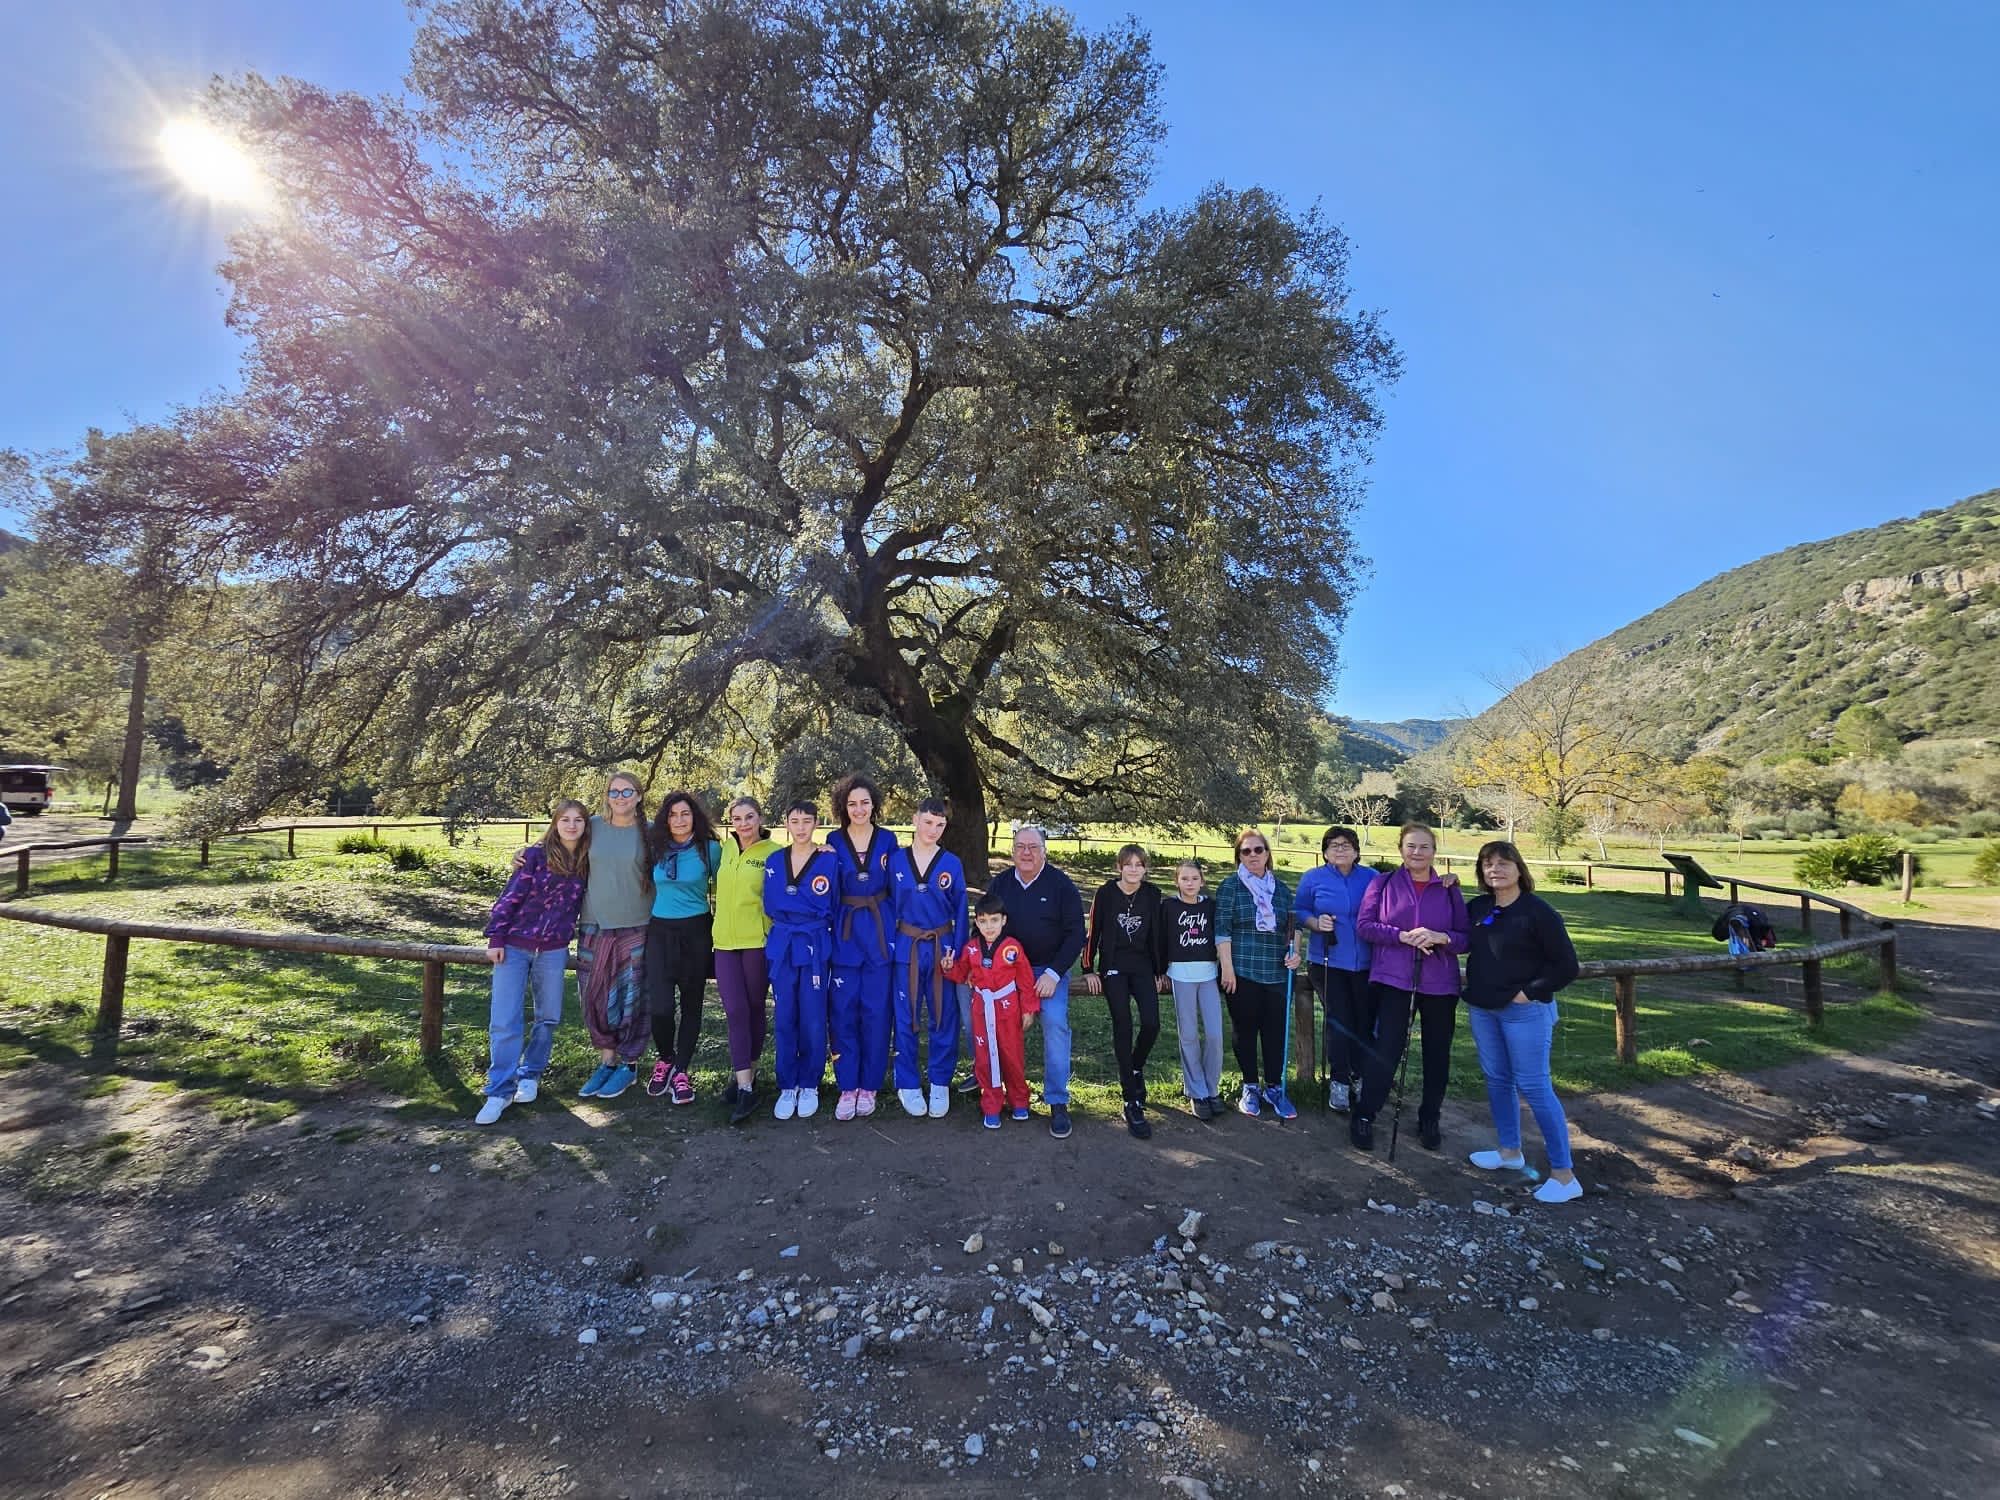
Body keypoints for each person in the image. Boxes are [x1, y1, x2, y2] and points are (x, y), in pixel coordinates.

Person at [1464, 839, 1584, 1203]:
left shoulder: (1538, 912)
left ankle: (1564, 1175)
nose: (1495, 869)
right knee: (1497, 1079)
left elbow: (1567, 966)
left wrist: (1528, 992)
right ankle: (1509, 1151)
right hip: (1483, 1008)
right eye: (1488, 863)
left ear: (1519, 869)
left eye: (1503, 863)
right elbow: (1457, 937)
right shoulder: (1479, 907)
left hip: (1524, 1012)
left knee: (1534, 1086)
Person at [1351, 822, 1470, 1153]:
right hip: (1394, 979)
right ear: (1401, 849)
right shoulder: (1383, 883)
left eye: (1424, 847)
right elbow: (1365, 926)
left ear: (1434, 851)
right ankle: (1365, 1113)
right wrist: (1402, 936)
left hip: (1440, 983)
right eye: (1411, 846)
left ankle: (1429, 1117)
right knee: (1386, 1048)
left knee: (1437, 1053)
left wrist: (1440, 937)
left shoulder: (1448, 888)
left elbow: (1465, 938)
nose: (1417, 852)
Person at [476, 801, 591, 1125]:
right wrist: (496, 938)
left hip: (554, 950)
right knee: (505, 1019)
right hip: (514, 947)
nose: (571, 825)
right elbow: (509, 897)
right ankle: (499, 1090)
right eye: (565, 819)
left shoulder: (587, 862)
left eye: (578, 820)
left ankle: (531, 1074)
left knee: (548, 1017)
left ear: (586, 825)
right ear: (555, 824)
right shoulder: (535, 856)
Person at [986, 825, 1085, 1139]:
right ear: (1012, 850)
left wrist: (1054, 973)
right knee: (993, 1022)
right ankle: (998, 1090)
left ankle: (1057, 1100)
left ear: (1044, 851)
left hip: (1048, 971)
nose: (1026, 853)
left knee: (1054, 1023)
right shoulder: (1000, 884)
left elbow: (1076, 934)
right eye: (1020, 846)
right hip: (1007, 970)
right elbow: (984, 926)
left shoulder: (1061, 885)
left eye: (1033, 847)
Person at [571, 771, 653, 1101]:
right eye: (614, 792)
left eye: (627, 791)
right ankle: (607, 1062)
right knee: (595, 995)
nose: (620, 797)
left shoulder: (650, 832)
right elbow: (558, 842)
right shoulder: (592, 827)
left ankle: (629, 1065)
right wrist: (523, 855)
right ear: (606, 796)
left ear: (639, 796)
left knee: (633, 998)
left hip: (638, 925)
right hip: (595, 924)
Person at [1215, 828, 1303, 1120]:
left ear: (1267, 853)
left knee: (1275, 1033)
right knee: (1245, 1030)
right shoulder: (1230, 886)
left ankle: (1274, 1088)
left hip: (1277, 973)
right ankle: (1250, 1086)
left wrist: (1295, 953)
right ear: (1239, 856)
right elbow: (1222, 929)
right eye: (1246, 851)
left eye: (1258, 849)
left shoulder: (1282, 889)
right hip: (1242, 970)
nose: (1253, 855)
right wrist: (1227, 968)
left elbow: (1293, 928)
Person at [826, 773, 898, 1120]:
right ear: (843, 806)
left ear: (874, 805)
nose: (858, 809)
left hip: (879, 931)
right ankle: (847, 1086)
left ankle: (869, 1085)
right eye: (852, 803)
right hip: (846, 932)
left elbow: (899, 885)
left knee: (876, 1011)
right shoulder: (832, 841)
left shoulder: (887, 840)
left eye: (864, 803)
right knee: (843, 1012)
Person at [1293, 825, 1380, 1114]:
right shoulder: (1313, 878)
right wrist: (1316, 923)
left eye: (1346, 844)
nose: (1340, 849)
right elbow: (1299, 911)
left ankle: (1360, 1075)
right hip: (1327, 961)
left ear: (1356, 850)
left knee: (1364, 1023)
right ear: (1325, 851)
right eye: (1334, 845)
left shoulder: (1372, 877)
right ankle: (1339, 1081)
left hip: (1367, 963)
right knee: (1340, 1020)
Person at [889, 797, 967, 1118]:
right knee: (905, 1015)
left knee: (943, 1015)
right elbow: (884, 905)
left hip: (940, 946)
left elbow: (961, 910)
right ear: (915, 819)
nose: (933, 830)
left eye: (940, 825)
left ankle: (939, 1081)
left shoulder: (952, 863)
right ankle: (907, 1082)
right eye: (928, 822)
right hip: (906, 946)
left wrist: (955, 953)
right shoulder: (895, 861)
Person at [642, 791, 721, 1105]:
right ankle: (665, 1059)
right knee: (660, 1006)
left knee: (691, 1004)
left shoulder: (710, 850)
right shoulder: (655, 847)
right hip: (660, 931)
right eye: (673, 814)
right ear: (665, 818)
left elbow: (735, 878)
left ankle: (681, 1071)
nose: (679, 820)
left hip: (696, 931)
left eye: (685, 813)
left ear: (694, 817)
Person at [1082, 844, 1165, 1139]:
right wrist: (1088, 968)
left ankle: (1135, 1067)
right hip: (1114, 965)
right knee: (1123, 1024)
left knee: (1152, 1023)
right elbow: (1093, 931)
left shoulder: (1152, 894)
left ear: (1145, 869)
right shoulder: (1105, 893)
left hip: (1142, 966)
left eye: (1138, 864)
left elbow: (1158, 934)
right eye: (1128, 864)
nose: (1133, 869)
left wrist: (1160, 970)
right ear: (1119, 867)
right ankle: (1130, 1100)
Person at [763, 800, 837, 1121]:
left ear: (816, 823)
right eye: (795, 821)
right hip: (783, 943)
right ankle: (787, 1083)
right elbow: (770, 903)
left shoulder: (829, 860)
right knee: (784, 1017)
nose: (801, 827)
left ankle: (809, 1083)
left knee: (813, 1017)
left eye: (808, 821)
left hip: (814, 943)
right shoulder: (774, 861)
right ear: (786, 823)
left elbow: (834, 902)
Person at [944, 891, 1040, 1128]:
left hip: (1008, 1010)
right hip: (982, 1010)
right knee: (985, 1058)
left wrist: (1028, 1009)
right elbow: (961, 973)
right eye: (983, 921)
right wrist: (948, 967)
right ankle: (991, 1104)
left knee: (1012, 1057)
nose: (989, 926)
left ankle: (1019, 1101)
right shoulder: (971, 949)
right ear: (977, 922)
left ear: (1003, 920)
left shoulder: (1012, 947)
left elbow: (1026, 980)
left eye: (994, 920)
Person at [713, 796, 780, 1124]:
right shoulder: (725, 849)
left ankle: (747, 1077)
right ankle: (744, 1087)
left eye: (749, 817)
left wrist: (822, 850)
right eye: (737, 818)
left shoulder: (774, 854)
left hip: (757, 942)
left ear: (760, 818)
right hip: (724, 944)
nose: (743, 824)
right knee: (735, 1011)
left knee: (754, 1010)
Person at [1159, 859, 1225, 1120]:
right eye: (1184, 878)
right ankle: (1197, 1091)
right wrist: (1160, 970)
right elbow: (1160, 940)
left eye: (1195, 878)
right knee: (1188, 1034)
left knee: (1214, 1035)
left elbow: (1221, 937)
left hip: (1208, 974)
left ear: (1202, 881)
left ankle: (1212, 1088)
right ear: (1176, 881)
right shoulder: (1168, 907)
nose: (1190, 883)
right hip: (1180, 975)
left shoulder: (1210, 906)